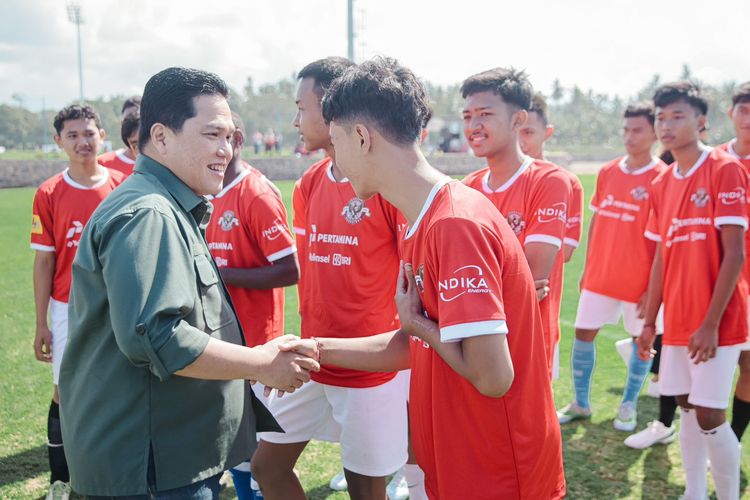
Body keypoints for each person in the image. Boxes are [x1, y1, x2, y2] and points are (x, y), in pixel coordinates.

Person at [277, 56, 565, 500]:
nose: (336, 159)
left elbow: (493, 376)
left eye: (336, 140)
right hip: (458, 462)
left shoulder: (454, 224)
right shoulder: (423, 219)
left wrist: (422, 327)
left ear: (360, 137)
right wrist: (311, 348)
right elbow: (411, 345)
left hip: (497, 473)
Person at [58, 67, 319, 498]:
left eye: (231, 135)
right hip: (150, 469)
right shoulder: (150, 213)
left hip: (161, 458)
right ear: (160, 137)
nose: (227, 149)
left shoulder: (164, 203)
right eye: (212, 134)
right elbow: (159, 338)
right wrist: (260, 362)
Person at [251, 56, 409, 500]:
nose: (297, 121)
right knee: (268, 466)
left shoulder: (384, 187)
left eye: (302, 108)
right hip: (312, 357)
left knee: (365, 489)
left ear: (334, 107)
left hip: (368, 370)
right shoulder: (309, 183)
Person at [638, 81, 748, 500]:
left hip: (717, 320)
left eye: (677, 116)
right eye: (660, 117)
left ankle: (729, 495)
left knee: (709, 414)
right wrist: (651, 322)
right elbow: (663, 255)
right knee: (686, 408)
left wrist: (710, 324)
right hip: (678, 318)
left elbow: (735, 254)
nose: (666, 125)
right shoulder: (662, 183)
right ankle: (695, 491)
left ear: (702, 122)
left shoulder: (725, 169)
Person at [31, 104, 125, 500]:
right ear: (59, 142)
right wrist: (41, 323)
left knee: (120, 388)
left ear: (102, 135)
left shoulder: (123, 185)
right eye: (72, 136)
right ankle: (61, 480)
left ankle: (116, 472)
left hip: (116, 305)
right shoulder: (49, 192)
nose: (82, 142)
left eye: (89, 133)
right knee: (64, 391)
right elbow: (44, 260)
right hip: (67, 307)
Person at [556, 102, 669, 432]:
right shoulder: (608, 171)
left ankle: (629, 404)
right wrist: (590, 265)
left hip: (641, 281)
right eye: (626, 129)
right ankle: (580, 403)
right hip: (601, 275)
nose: (629, 137)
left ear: (653, 133)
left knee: (641, 342)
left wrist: (654, 288)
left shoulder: (662, 178)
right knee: (582, 334)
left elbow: (663, 241)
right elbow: (597, 220)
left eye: (637, 130)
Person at [205, 112, 299, 499]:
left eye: (221, 136)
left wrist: (220, 275)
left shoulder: (256, 194)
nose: (214, 147)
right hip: (220, 335)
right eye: (206, 136)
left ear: (238, 139)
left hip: (255, 339)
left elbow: (288, 269)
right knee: (232, 442)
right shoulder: (205, 191)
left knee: (253, 445)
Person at [460, 68, 571, 378]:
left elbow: (533, 274)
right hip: (475, 342)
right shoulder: (467, 188)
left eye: (484, 114)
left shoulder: (549, 181)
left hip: (528, 341)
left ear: (518, 120)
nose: (473, 126)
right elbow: (454, 273)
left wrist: (476, 287)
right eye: (467, 116)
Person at [719, 81, 750, 442]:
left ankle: (734, 439)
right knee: (705, 365)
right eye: (743, 110)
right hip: (712, 283)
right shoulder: (713, 161)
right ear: (731, 114)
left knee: (748, 365)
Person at [519, 92, 584, 263]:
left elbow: (566, 252)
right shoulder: (492, 181)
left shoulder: (568, 183)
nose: (519, 141)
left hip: (543, 288)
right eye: (515, 132)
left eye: (528, 132)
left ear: (548, 132)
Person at [98, 96, 141, 176]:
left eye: (138, 118)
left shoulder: (163, 164)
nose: (133, 122)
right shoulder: (103, 163)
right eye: (127, 119)